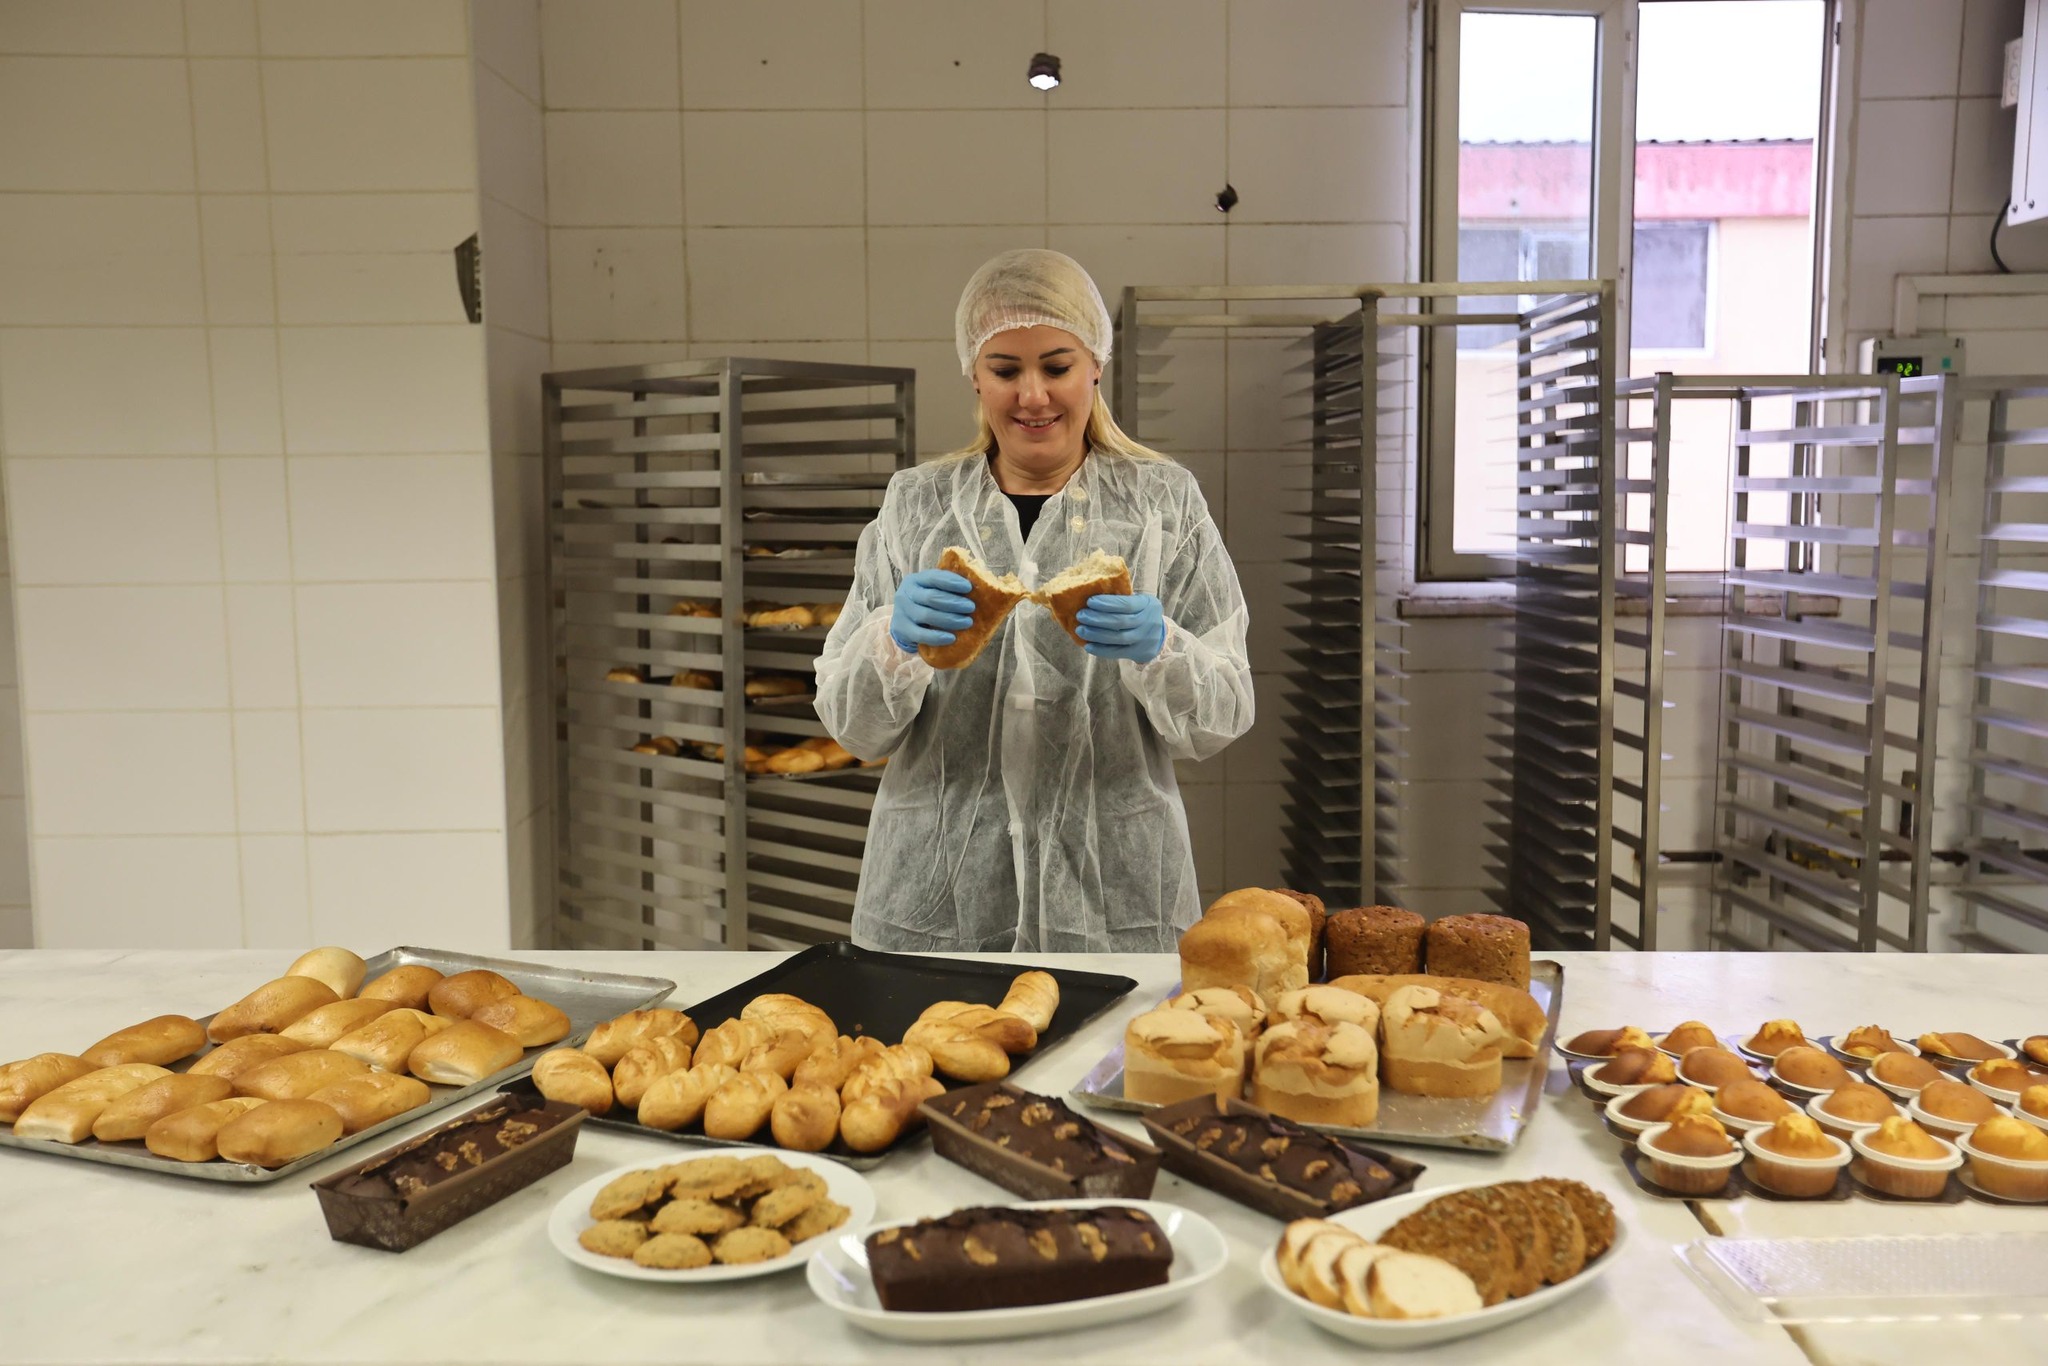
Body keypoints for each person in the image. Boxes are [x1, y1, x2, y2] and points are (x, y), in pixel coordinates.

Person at [815, 248, 1255, 952]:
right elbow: (854, 729)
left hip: (1114, 900)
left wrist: (1163, 647)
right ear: (974, 375)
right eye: (1005, 370)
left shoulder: (1162, 504)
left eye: (1056, 366)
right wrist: (891, 645)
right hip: (935, 905)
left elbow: (1222, 715)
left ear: (1095, 368)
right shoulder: (916, 507)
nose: (1033, 395)